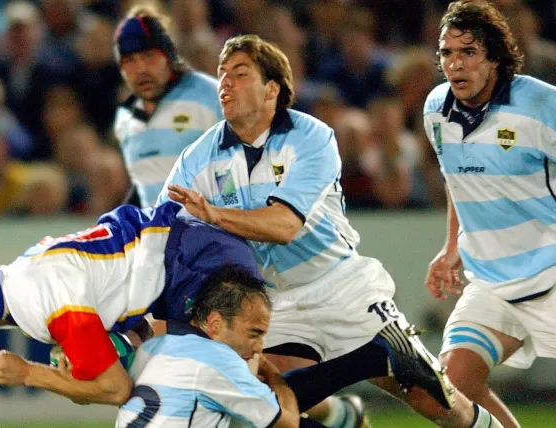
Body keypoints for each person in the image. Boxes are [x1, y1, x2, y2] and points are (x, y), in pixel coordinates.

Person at [159, 34, 502, 428]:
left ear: (272, 89)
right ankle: (353, 401)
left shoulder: (310, 137)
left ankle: (391, 373)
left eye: (239, 74)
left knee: (437, 403)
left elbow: (285, 225)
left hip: (341, 287)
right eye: (221, 74)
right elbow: (165, 229)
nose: (224, 83)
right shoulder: (198, 157)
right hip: (274, 301)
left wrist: (214, 215)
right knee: (261, 405)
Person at [0, 200, 261, 405]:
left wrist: (29, 374)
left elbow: (116, 389)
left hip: (198, 265)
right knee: (249, 402)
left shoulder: (37, 298)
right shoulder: (25, 280)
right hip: (189, 261)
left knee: (236, 406)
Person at [423, 2, 556, 427]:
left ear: (495, 57)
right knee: (453, 385)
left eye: (469, 52)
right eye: (447, 53)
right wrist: (450, 247)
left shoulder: (539, 104)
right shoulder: (435, 110)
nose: (455, 64)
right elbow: (456, 181)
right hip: (493, 283)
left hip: (552, 273)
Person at [116, 265, 299, 428]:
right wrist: (272, 373)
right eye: (254, 334)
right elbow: (289, 423)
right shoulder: (221, 361)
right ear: (216, 324)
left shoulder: (153, 347)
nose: (259, 347)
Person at [113, 5, 223, 207]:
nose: (141, 69)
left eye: (149, 56)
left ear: (169, 56)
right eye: (129, 60)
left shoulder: (213, 97)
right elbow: (145, 184)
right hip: (158, 236)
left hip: (215, 232)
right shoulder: (125, 118)